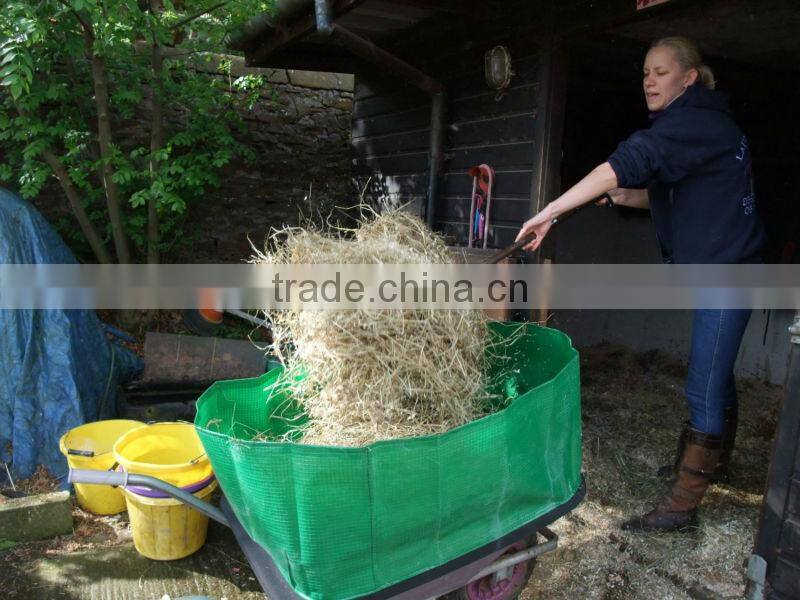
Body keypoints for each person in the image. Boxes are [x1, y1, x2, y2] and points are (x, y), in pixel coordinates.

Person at [515, 36, 766, 532]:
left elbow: (628, 161)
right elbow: (674, 196)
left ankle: (682, 507)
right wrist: (620, 198)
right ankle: (714, 465)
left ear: (689, 78)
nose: (649, 81)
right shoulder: (707, 125)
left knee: (704, 383)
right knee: (716, 373)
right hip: (731, 266)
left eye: (661, 72)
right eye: (645, 73)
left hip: (731, 272)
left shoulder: (692, 122)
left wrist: (551, 210)